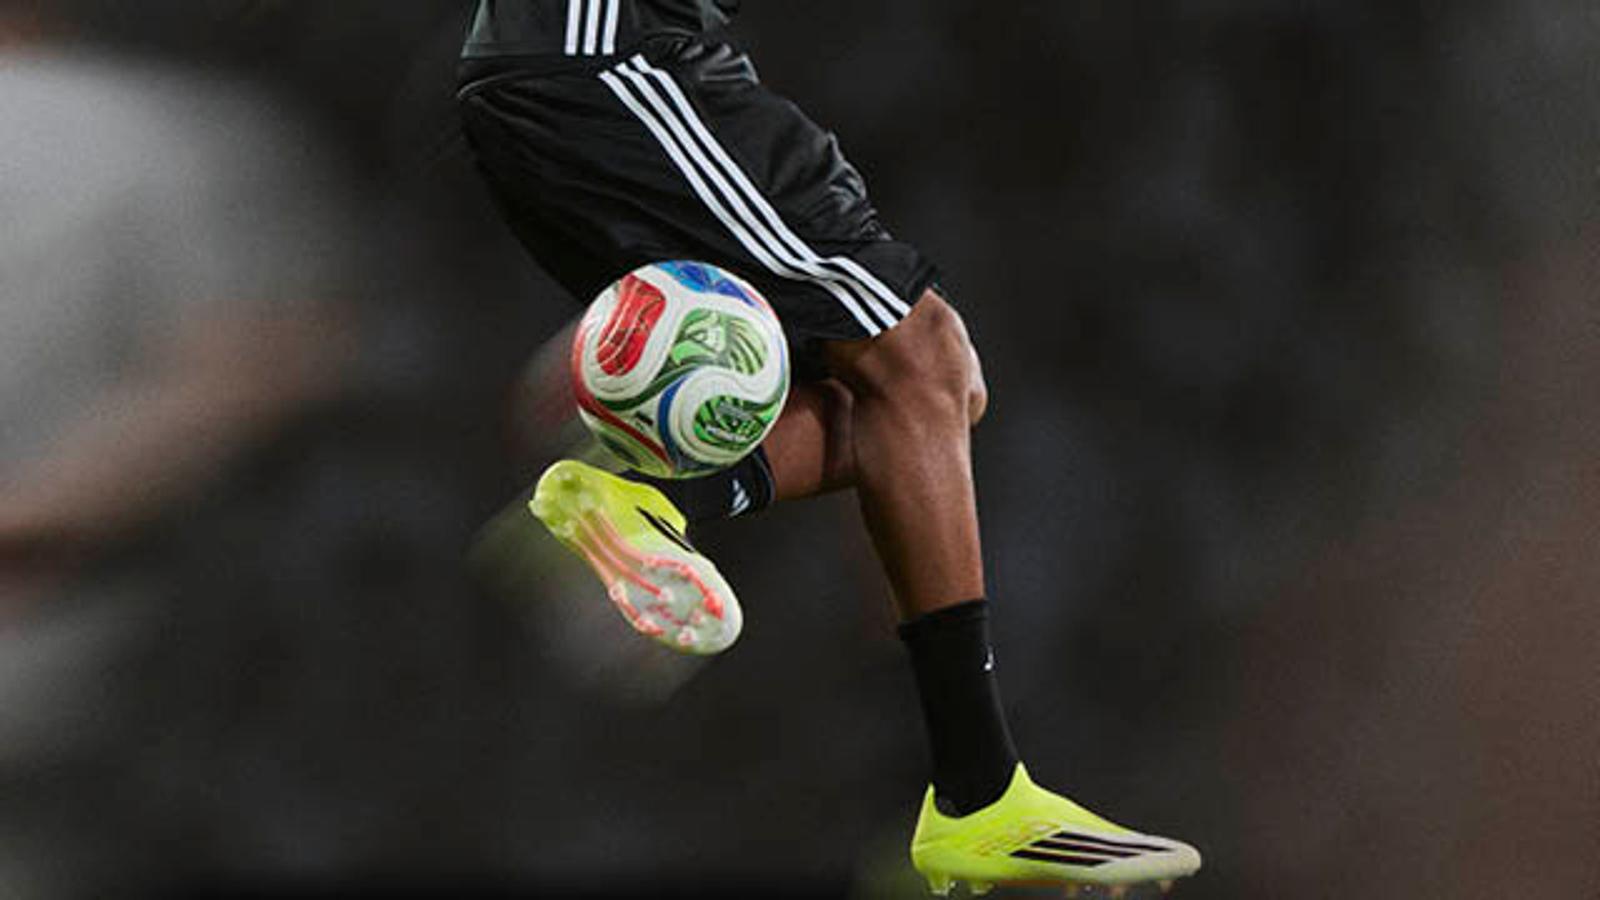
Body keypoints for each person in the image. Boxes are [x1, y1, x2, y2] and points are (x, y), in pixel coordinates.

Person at [455, 2, 1201, 894]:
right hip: (602, 59)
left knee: (925, 397)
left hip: (638, 65)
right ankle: (980, 797)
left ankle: (661, 503)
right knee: (919, 355)